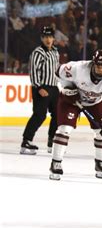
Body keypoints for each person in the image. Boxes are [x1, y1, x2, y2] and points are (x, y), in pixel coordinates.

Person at [49, 49, 102, 180]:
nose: (101, 70)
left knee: (101, 131)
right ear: (92, 64)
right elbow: (58, 72)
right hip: (71, 101)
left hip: (95, 103)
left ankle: (100, 163)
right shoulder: (78, 68)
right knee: (65, 129)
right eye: (98, 66)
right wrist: (68, 88)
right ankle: (56, 162)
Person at [20, 26, 60, 155]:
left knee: (57, 115)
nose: (48, 39)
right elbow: (33, 71)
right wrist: (38, 87)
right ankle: (26, 141)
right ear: (41, 38)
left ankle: (52, 141)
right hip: (42, 87)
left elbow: (57, 70)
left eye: (50, 37)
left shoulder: (55, 52)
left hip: (54, 88)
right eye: (45, 37)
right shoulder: (38, 52)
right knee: (40, 115)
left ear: (54, 38)